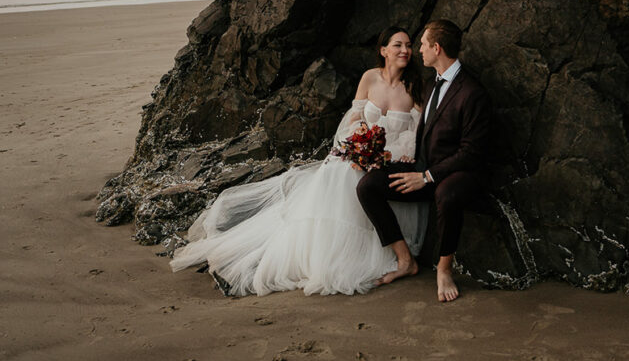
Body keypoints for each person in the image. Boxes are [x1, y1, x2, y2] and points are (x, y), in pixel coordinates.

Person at [170, 26, 427, 296]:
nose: (405, 51)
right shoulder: (370, 78)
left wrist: (387, 154)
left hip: (391, 159)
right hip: (360, 152)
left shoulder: (414, 86)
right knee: (336, 173)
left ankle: (360, 253)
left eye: (409, 45)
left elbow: (415, 132)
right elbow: (354, 119)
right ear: (383, 50)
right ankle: (315, 251)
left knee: (353, 179)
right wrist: (358, 145)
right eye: (398, 45)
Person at [356, 19, 491, 302]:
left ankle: (444, 269)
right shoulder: (430, 85)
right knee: (369, 185)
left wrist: (427, 176)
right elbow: (418, 131)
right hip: (421, 168)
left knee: (447, 193)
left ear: (437, 48)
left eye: (422, 44)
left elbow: (472, 152)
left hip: (456, 174)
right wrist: (387, 159)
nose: (418, 50)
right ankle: (405, 260)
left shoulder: (472, 91)